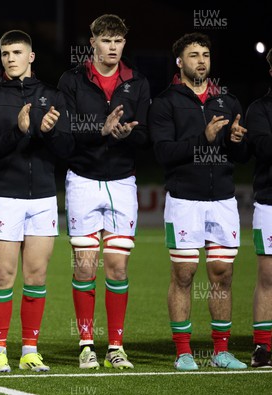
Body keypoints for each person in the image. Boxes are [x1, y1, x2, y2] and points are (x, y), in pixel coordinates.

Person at [149, 32, 248, 370]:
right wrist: (201, 139)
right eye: (194, 55)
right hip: (184, 199)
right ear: (180, 62)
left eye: (205, 54)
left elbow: (241, 154)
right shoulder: (165, 103)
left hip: (222, 197)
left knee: (222, 273)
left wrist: (236, 141)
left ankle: (221, 351)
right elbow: (162, 152)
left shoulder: (228, 102)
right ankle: (183, 352)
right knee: (185, 273)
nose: (201, 60)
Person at [56, 14, 151, 369]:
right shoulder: (72, 80)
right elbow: (63, 135)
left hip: (123, 181)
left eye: (119, 41)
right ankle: (85, 344)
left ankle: (116, 346)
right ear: (93, 41)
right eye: (106, 41)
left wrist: (128, 133)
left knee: (117, 267)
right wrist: (101, 129)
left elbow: (148, 135)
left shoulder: (137, 82)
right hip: (82, 179)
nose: (113, 47)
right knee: (84, 266)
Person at [0, 29, 70, 373]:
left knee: (36, 276)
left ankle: (30, 349)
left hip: (44, 198)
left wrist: (48, 132)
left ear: (31, 56)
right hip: (4, 197)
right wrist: (18, 130)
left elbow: (67, 150)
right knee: (3, 276)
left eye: (17, 52)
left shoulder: (52, 96)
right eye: (4, 53)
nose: (10, 58)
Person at [246, 48, 272, 368]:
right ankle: (262, 348)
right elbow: (264, 147)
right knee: (268, 276)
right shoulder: (259, 109)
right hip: (269, 199)